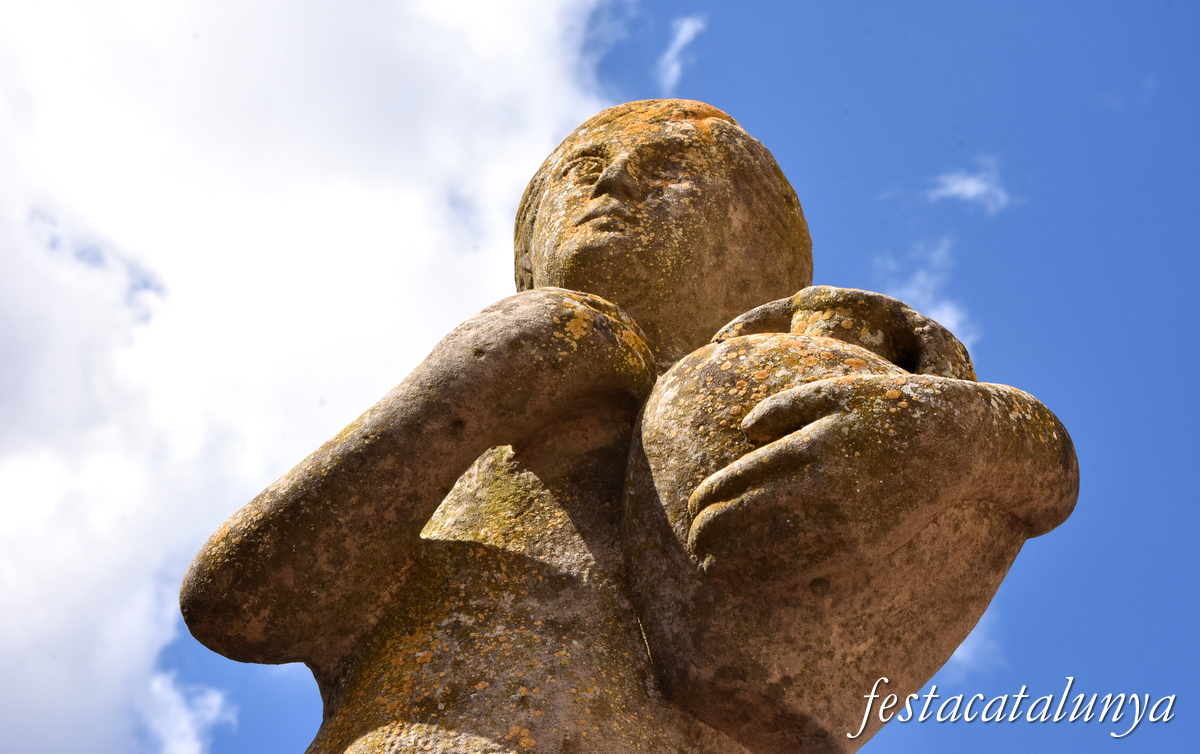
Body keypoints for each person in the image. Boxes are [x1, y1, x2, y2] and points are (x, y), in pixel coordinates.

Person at [181, 100, 1077, 753]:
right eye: (582, 170)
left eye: (668, 172)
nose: (611, 182)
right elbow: (238, 604)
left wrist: (953, 442)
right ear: (531, 251)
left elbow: (1048, 468)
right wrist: (474, 386)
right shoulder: (485, 451)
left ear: (753, 247)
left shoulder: (782, 406)